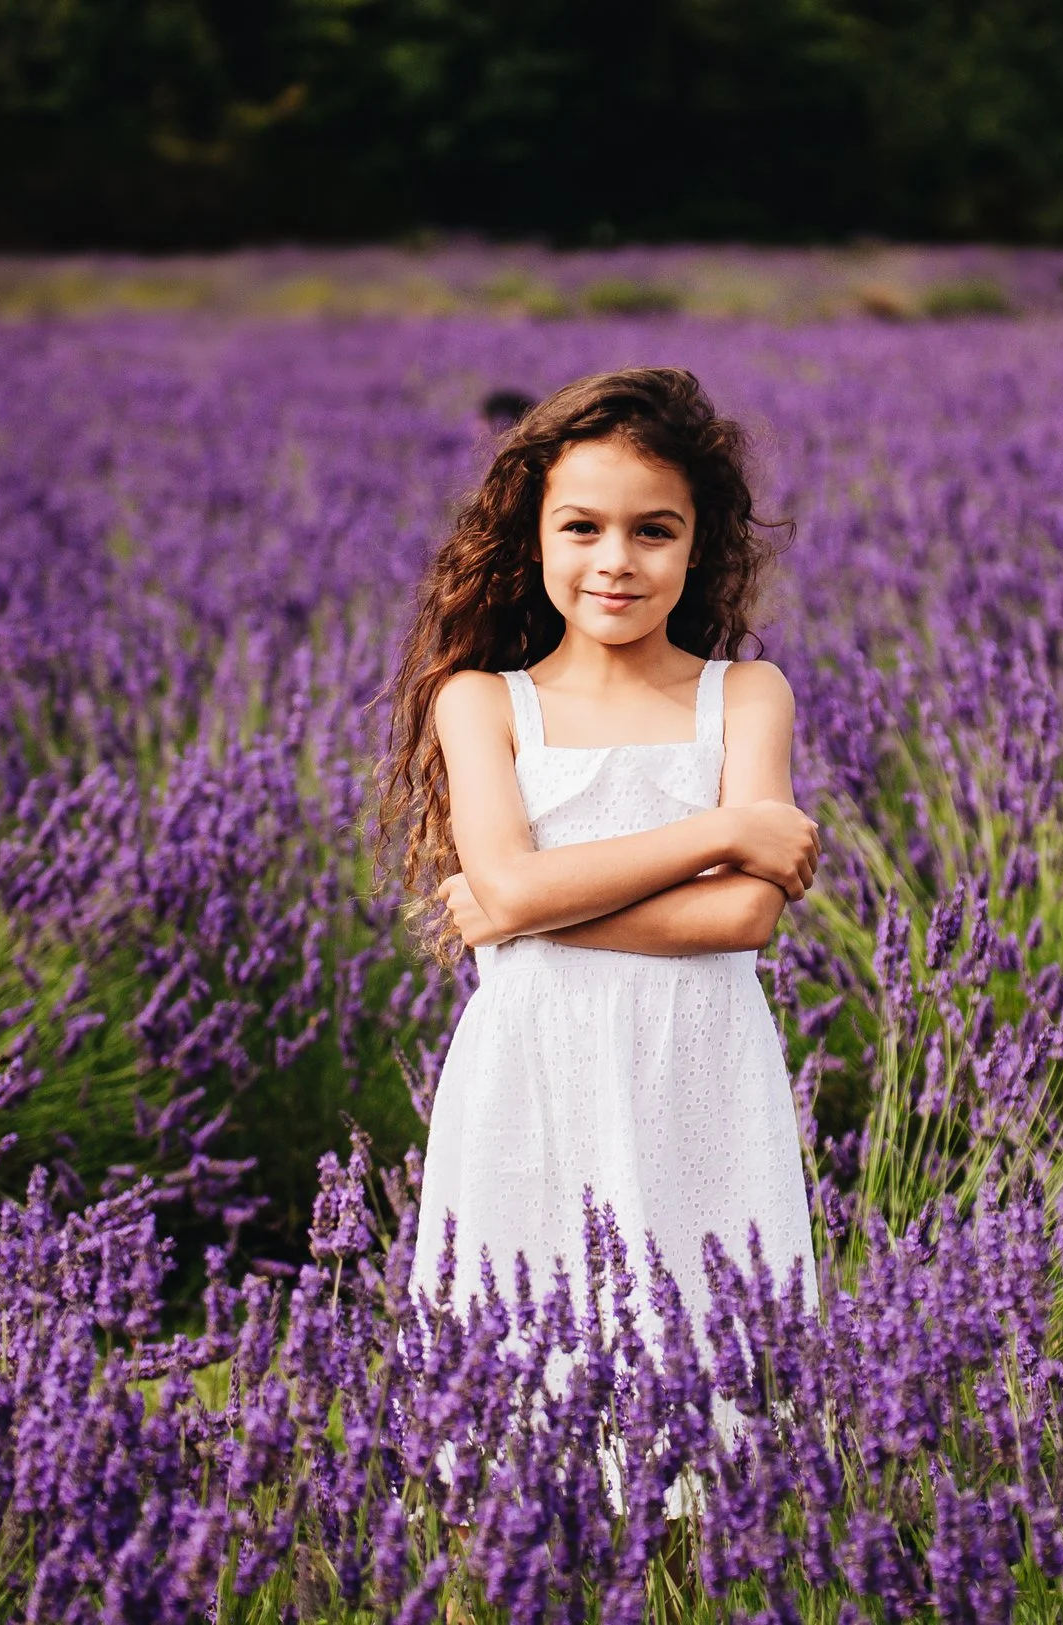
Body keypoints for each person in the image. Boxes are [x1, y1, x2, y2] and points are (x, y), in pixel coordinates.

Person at [369, 364, 824, 1468]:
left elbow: (743, 918)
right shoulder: (481, 699)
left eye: (653, 531)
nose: (615, 560)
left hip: (699, 1068)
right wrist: (719, 831)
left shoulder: (744, 694)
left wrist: (518, 909)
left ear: (699, 545)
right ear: (533, 536)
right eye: (582, 526)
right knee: (527, 1349)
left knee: (712, 1354)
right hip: (537, 1067)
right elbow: (526, 884)